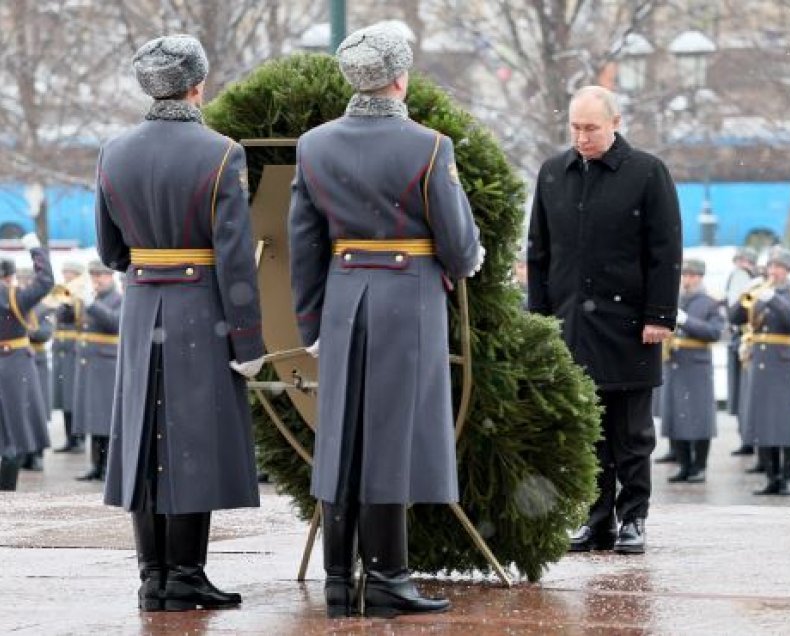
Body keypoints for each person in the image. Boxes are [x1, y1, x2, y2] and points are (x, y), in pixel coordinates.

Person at [289, 22, 483, 618]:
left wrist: (312, 323)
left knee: (342, 436)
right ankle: (389, 578)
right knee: (392, 438)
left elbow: (304, 244)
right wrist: (461, 262)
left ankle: (338, 582)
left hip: (345, 296)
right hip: (408, 296)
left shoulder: (314, 144)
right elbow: (457, 242)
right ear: (401, 78)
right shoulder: (429, 146)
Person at [96, 34, 265, 612]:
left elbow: (109, 251)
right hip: (200, 307)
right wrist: (249, 339)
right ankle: (187, 573)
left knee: (146, 438)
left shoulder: (113, 152)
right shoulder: (221, 153)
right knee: (194, 439)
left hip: (143, 303)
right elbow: (236, 258)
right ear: (198, 85)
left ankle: (154, 576)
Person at [528, 85, 681, 554]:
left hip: (632, 325)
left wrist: (659, 315)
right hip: (572, 326)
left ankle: (633, 518)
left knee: (632, 433)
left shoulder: (647, 172)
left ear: (615, 123)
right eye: (575, 127)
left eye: (591, 127)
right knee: (586, 431)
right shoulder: (554, 172)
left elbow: (665, 250)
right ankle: (596, 521)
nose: (582, 136)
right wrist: (539, 319)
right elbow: (539, 252)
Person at [728, 247, 790, 496]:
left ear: (788, 271)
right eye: (771, 267)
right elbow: (734, 317)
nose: (773, 271)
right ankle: (772, 477)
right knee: (761, 420)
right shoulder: (758, 292)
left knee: (785, 422)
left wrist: (773, 298)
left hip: (782, 364)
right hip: (758, 363)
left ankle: (787, 478)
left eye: (779, 267)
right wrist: (745, 294)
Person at [660, 259, 725, 483]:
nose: (688, 279)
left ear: (700, 277)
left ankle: (699, 466)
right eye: (685, 275)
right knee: (676, 416)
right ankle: (684, 465)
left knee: (699, 418)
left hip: (697, 365)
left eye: (693, 275)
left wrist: (687, 321)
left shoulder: (710, 303)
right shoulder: (673, 299)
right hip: (675, 362)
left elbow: (715, 332)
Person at [0, 235, 54, 490]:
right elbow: (46, 280)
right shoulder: (17, 297)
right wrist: (36, 250)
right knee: (16, 435)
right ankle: (7, 490)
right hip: (15, 367)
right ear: (10, 277)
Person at [64, 261, 121, 482]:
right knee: (92, 418)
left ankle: (108, 466)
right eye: (94, 275)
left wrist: (90, 304)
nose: (97, 279)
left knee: (105, 420)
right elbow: (65, 320)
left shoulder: (119, 298)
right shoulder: (92, 298)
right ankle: (95, 465)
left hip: (106, 365)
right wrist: (69, 302)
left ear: (111, 277)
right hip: (90, 365)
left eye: (102, 275)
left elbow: (114, 322)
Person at [16, 266, 56, 472]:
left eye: (26, 281)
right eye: (19, 281)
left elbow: (45, 334)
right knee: (21, 411)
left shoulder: (44, 307)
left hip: (37, 362)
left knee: (37, 411)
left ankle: (38, 454)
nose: (22, 285)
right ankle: (24, 453)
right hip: (18, 363)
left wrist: (27, 328)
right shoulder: (14, 304)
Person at [725, 246, 758, 456]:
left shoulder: (759, 281)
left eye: (745, 261)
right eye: (738, 260)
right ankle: (744, 438)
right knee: (738, 392)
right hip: (737, 338)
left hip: (751, 339)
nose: (740, 265)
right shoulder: (733, 278)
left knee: (750, 392)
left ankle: (755, 438)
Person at [52, 261, 86, 454]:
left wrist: (66, 301)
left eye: (70, 273)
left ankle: (78, 439)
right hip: (61, 351)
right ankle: (69, 439)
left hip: (74, 351)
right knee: (64, 397)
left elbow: (73, 316)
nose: (66, 276)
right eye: (65, 272)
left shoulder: (80, 294)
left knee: (75, 397)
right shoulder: (62, 291)